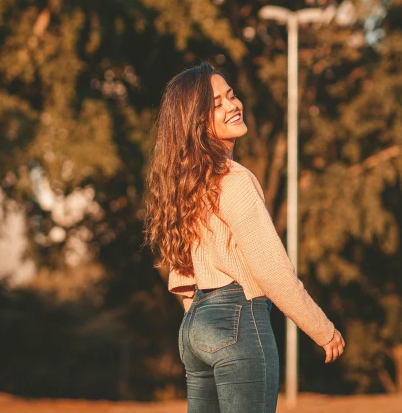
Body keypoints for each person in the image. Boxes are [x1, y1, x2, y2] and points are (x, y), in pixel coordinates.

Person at [143, 61, 344, 413]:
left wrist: (201, 318)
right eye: (216, 104)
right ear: (197, 123)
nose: (232, 106)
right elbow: (271, 269)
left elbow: (182, 271)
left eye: (230, 96)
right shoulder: (233, 179)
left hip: (195, 326)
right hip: (239, 318)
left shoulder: (186, 186)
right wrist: (322, 329)